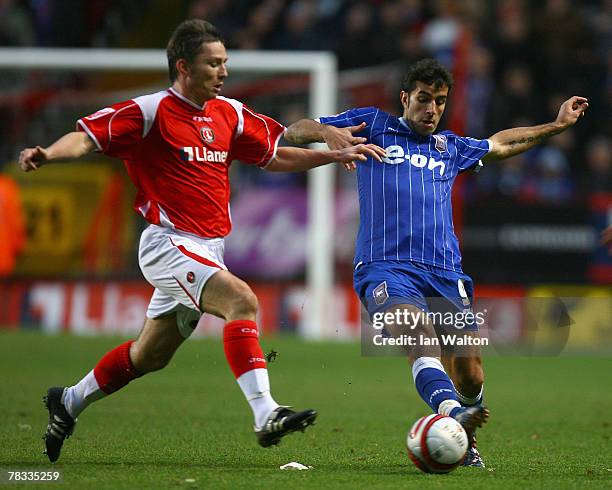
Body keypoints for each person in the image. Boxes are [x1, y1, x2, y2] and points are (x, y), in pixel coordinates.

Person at [18, 19, 385, 463]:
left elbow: (275, 153)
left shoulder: (228, 113)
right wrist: (47, 154)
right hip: (167, 243)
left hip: (209, 248)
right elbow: (86, 138)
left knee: (149, 356)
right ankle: (265, 412)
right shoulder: (149, 111)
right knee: (241, 301)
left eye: (225, 62)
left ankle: (69, 400)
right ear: (184, 67)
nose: (224, 72)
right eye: (214, 63)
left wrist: (332, 153)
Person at [285, 58, 588, 468]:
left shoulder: (450, 147)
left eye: (440, 102)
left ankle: (466, 435)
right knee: (418, 334)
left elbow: (501, 144)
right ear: (405, 98)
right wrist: (325, 131)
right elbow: (294, 129)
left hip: (445, 273)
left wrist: (555, 126)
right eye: (424, 99)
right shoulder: (371, 123)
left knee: (471, 373)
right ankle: (450, 415)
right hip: (385, 268)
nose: (431, 109)